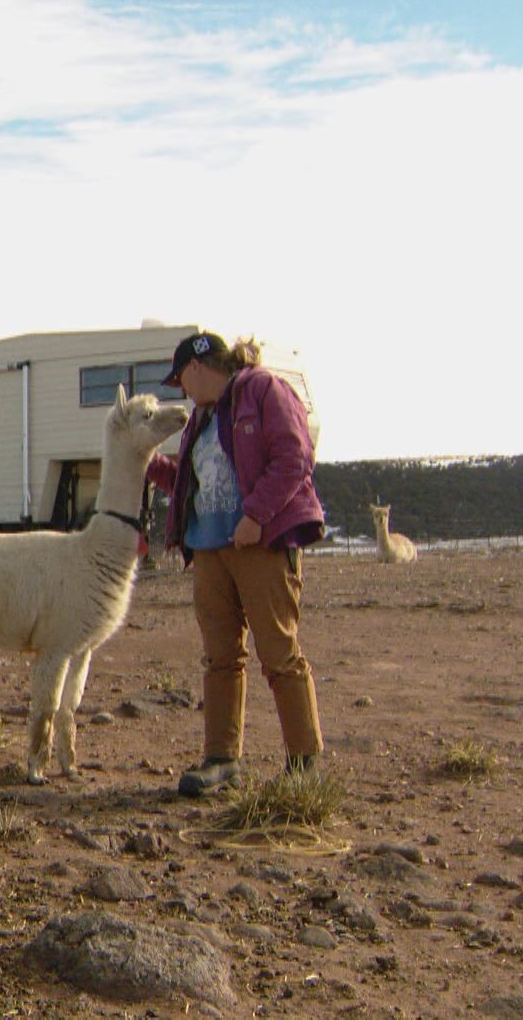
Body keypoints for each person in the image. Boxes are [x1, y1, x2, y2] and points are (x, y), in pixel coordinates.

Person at [145, 331, 327, 796]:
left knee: (279, 652)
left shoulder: (263, 390)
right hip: (208, 548)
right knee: (220, 656)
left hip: (260, 545)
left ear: (198, 366)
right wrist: (149, 463)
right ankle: (222, 760)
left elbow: (294, 458)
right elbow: (192, 483)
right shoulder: (201, 418)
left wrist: (256, 516)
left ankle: (304, 764)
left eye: (181, 380)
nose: (182, 391)